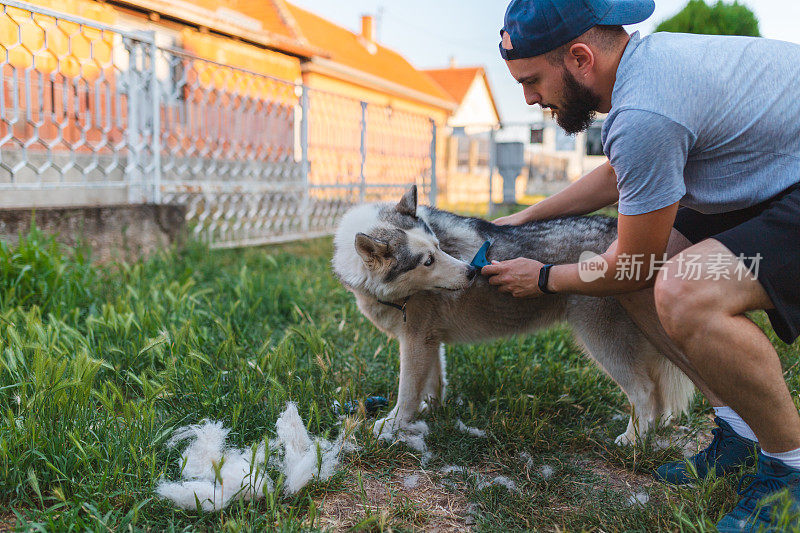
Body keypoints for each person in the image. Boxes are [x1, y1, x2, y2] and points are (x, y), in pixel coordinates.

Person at [484, 0, 800, 530]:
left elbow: (628, 265)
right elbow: (620, 173)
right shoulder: (644, 78)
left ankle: (791, 472)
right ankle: (740, 429)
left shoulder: (645, 112)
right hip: (775, 175)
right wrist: (522, 220)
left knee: (683, 291)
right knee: (635, 268)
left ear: (581, 58)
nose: (529, 98)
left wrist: (541, 278)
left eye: (532, 80)